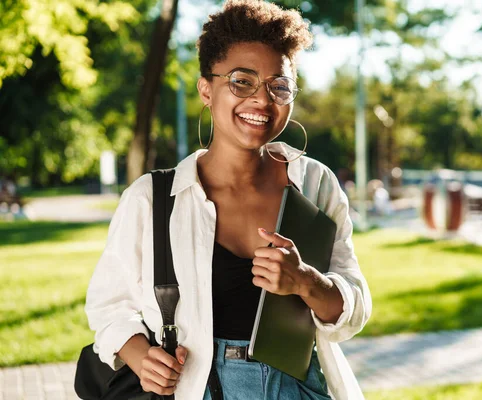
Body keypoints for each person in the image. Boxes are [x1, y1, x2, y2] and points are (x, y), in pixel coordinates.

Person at [84, 1, 372, 399]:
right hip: (198, 387)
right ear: (207, 88)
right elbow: (108, 305)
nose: (262, 99)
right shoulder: (153, 198)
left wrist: (305, 281)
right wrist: (140, 356)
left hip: (298, 388)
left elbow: (353, 311)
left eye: (279, 85)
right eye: (242, 81)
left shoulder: (314, 183)